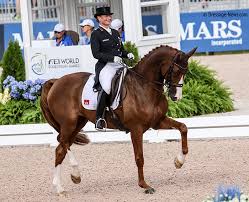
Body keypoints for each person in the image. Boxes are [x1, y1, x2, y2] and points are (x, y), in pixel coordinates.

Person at [91, 6, 134, 130]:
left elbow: (121, 50)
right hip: (105, 65)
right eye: (105, 16)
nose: (108, 18)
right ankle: (99, 118)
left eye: (109, 16)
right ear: (99, 18)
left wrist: (127, 54)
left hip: (118, 64)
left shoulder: (115, 32)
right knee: (107, 86)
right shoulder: (96, 34)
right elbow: (96, 54)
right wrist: (112, 58)